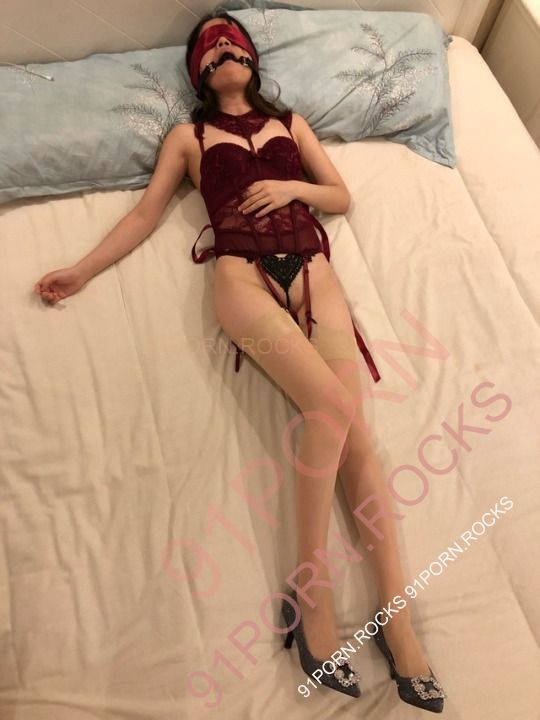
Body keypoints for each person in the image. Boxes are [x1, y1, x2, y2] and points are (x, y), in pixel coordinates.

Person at [33, 11, 446, 711]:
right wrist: (81, 269)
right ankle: (311, 595)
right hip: (240, 277)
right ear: (199, 72)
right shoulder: (187, 137)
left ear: (252, 60)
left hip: (314, 269)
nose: (224, 45)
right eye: (210, 44)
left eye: (234, 39)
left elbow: (341, 195)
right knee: (332, 408)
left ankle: (396, 619)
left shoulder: (292, 125)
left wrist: (293, 189)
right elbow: (145, 214)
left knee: (357, 441)